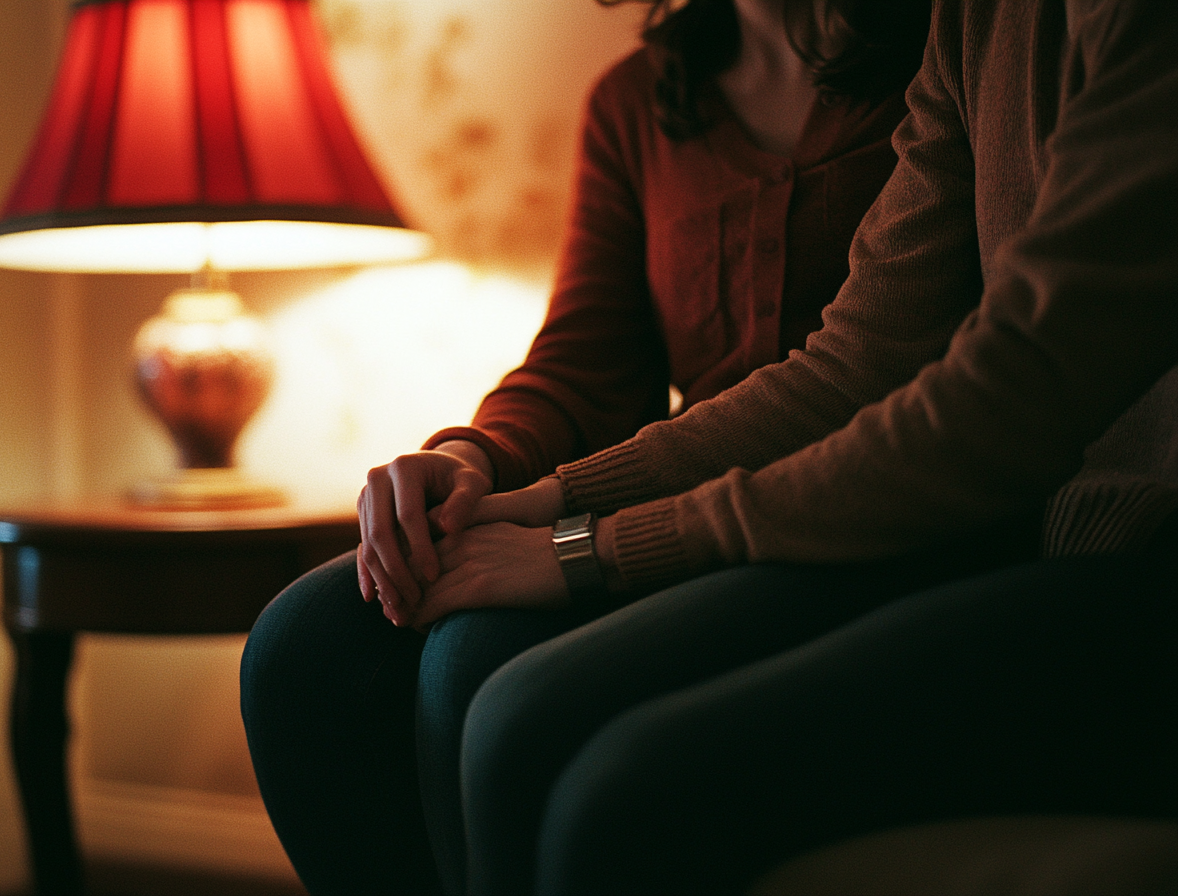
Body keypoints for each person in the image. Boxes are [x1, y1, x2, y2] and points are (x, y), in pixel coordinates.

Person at [380, 0, 1178, 892]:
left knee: (566, 747)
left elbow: (1011, 388)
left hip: (1092, 549)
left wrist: (595, 547)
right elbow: (853, 360)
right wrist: (534, 488)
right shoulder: (973, 22)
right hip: (1036, 541)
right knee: (320, 644)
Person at [240, 1, 930, 893]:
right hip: (673, 500)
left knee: (474, 654)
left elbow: (877, 369)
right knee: (303, 642)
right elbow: (587, 362)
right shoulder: (638, 101)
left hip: (854, 519)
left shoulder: (940, 58)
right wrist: (473, 457)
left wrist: (562, 522)